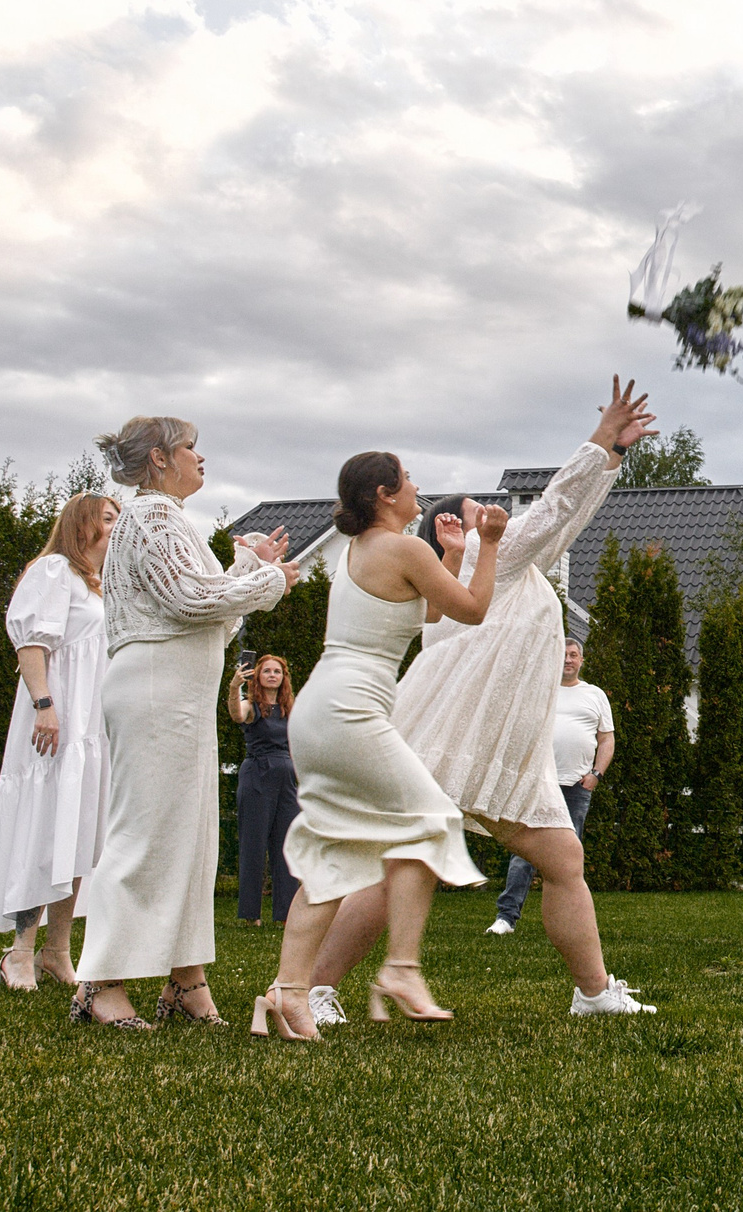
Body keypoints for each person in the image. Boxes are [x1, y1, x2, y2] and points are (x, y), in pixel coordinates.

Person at [301, 384, 658, 1026]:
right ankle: (316, 990)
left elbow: (561, 519)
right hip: (449, 744)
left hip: (498, 752)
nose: (494, 514)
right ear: (449, 527)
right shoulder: (479, 567)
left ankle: (594, 991)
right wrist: (602, 443)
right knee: (393, 865)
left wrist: (610, 459)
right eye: (478, 510)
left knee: (561, 860)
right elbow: (554, 513)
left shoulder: (482, 570)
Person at [253, 452, 502, 1043]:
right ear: (387, 493)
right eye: (410, 480)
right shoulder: (400, 547)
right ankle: (401, 968)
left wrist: (455, 555)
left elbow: (430, 609)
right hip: (348, 709)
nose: (419, 489)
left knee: (339, 853)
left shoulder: (363, 550)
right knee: (433, 819)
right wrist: (488, 543)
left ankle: (285, 994)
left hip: (321, 708)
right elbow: (472, 611)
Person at [76, 417, 297, 1030]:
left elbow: (210, 617)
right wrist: (267, 578)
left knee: (192, 840)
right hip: (154, 690)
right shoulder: (149, 517)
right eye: (191, 449)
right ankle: (100, 986)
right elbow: (191, 601)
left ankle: (186, 981)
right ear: (159, 458)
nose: (202, 458)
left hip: (180, 695)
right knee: (145, 833)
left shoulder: (168, 519)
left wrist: (247, 568)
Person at [0, 492, 118, 991]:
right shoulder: (54, 571)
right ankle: (20, 952)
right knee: (44, 826)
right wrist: (44, 705)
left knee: (79, 832)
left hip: (93, 730)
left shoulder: (103, 588)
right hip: (55, 720)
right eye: (110, 518)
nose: (119, 527)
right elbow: (31, 643)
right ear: (83, 525)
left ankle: (58, 951)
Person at [484, 639, 614, 937]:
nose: (568, 660)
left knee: (568, 859)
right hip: (539, 785)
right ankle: (506, 918)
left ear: (582, 660)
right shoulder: (541, 691)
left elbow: (606, 739)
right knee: (526, 852)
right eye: (563, 655)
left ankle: (568, 924)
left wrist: (596, 774)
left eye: (573, 655)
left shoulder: (594, 695)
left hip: (577, 787)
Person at [228, 654, 300, 929]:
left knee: (286, 846)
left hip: (286, 778)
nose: (272, 675)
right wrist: (235, 687)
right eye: (267, 671)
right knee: (253, 844)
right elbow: (237, 715)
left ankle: (285, 913)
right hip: (258, 775)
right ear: (257, 676)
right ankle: (250, 914)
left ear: (283, 678)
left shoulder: (289, 708)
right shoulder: (252, 705)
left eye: (277, 671)